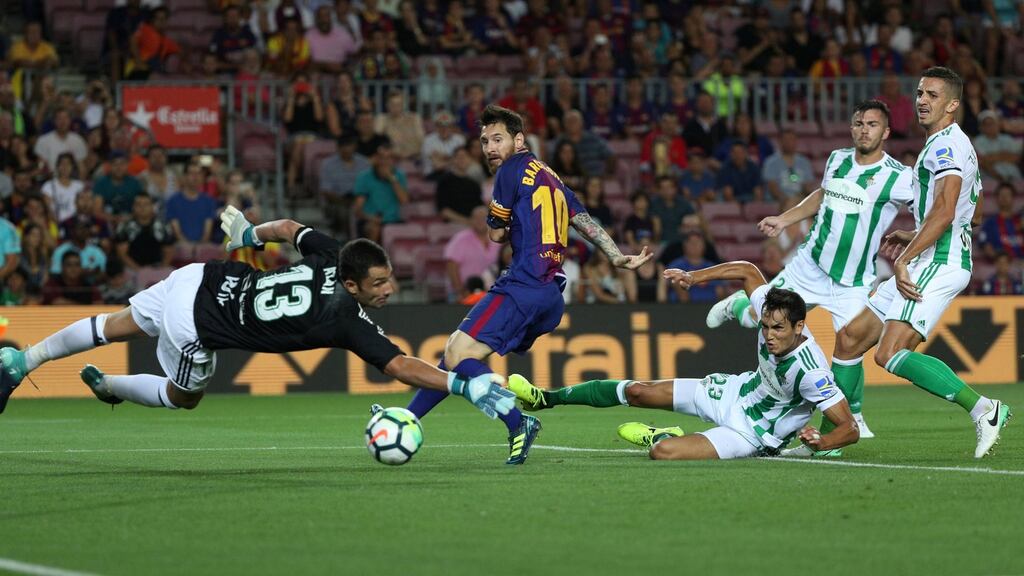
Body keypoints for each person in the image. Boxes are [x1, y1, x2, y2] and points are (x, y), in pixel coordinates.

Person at [0, 208, 515, 420]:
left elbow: (290, 227)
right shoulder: (345, 320)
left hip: (204, 275)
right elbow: (400, 365)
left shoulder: (337, 252)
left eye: (390, 280)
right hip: (199, 325)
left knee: (112, 325)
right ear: (354, 283)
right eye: (379, 284)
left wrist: (247, 234)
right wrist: (463, 385)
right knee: (185, 397)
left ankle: (22, 362)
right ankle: (113, 389)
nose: (389, 290)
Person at [403, 105, 652, 464]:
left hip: (524, 283)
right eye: (485, 140)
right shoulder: (550, 175)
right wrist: (615, 255)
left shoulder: (509, 171)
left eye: (498, 138)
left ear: (518, 140)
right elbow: (582, 219)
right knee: (457, 357)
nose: (490, 147)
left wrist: (506, 223)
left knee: (459, 353)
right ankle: (409, 417)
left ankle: (518, 421)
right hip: (550, 294)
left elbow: (494, 234)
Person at [819, 67, 1010, 459]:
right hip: (931, 253)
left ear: (953, 105)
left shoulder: (944, 147)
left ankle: (985, 409)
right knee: (850, 338)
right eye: (920, 92)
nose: (922, 100)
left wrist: (905, 257)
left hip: (936, 261)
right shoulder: (949, 143)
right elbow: (967, 212)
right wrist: (914, 235)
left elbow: (943, 212)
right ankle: (832, 440)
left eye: (934, 95)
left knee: (888, 354)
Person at [706, 100, 914, 444]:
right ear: (851, 127)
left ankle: (853, 415)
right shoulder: (836, 158)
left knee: (850, 347)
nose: (865, 129)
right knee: (758, 319)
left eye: (873, 124)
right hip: (809, 268)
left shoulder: (899, 177)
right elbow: (822, 195)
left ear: (886, 132)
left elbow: (929, 208)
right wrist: (784, 218)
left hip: (853, 281)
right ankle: (738, 306)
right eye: (859, 123)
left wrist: (913, 239)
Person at [507, 261, 860, 461]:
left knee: (663, 452)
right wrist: (694, 277)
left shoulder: (811, 372)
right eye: (765, 325)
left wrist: (823, 442)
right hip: (735, 391)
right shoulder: (775, 308)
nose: (769, 335)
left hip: (751, 434)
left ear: (800, 326)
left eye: (778, 329)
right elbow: (748, 270)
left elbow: (849, 428)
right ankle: (545, 398)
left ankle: (661, 434)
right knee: (638, 391)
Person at [761, 129, 814, 201]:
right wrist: (787, 199)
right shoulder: (771, 162)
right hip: (779, 201)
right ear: (780, 142)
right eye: (786, 140)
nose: (789, 143)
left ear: (796, 142)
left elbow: (807, 186)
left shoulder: (804, 162)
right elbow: (772, 188)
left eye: (792, 139)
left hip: (800, 200)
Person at [978, 183, 1024, 260]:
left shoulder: (1021, 220)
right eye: (1001, 195)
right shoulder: (990, 223)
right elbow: (986, 247)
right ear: (996, 198)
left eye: (1008, 195)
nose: (1004, 198)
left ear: (1014, 198)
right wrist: (1003, 264)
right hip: (1001, 268)